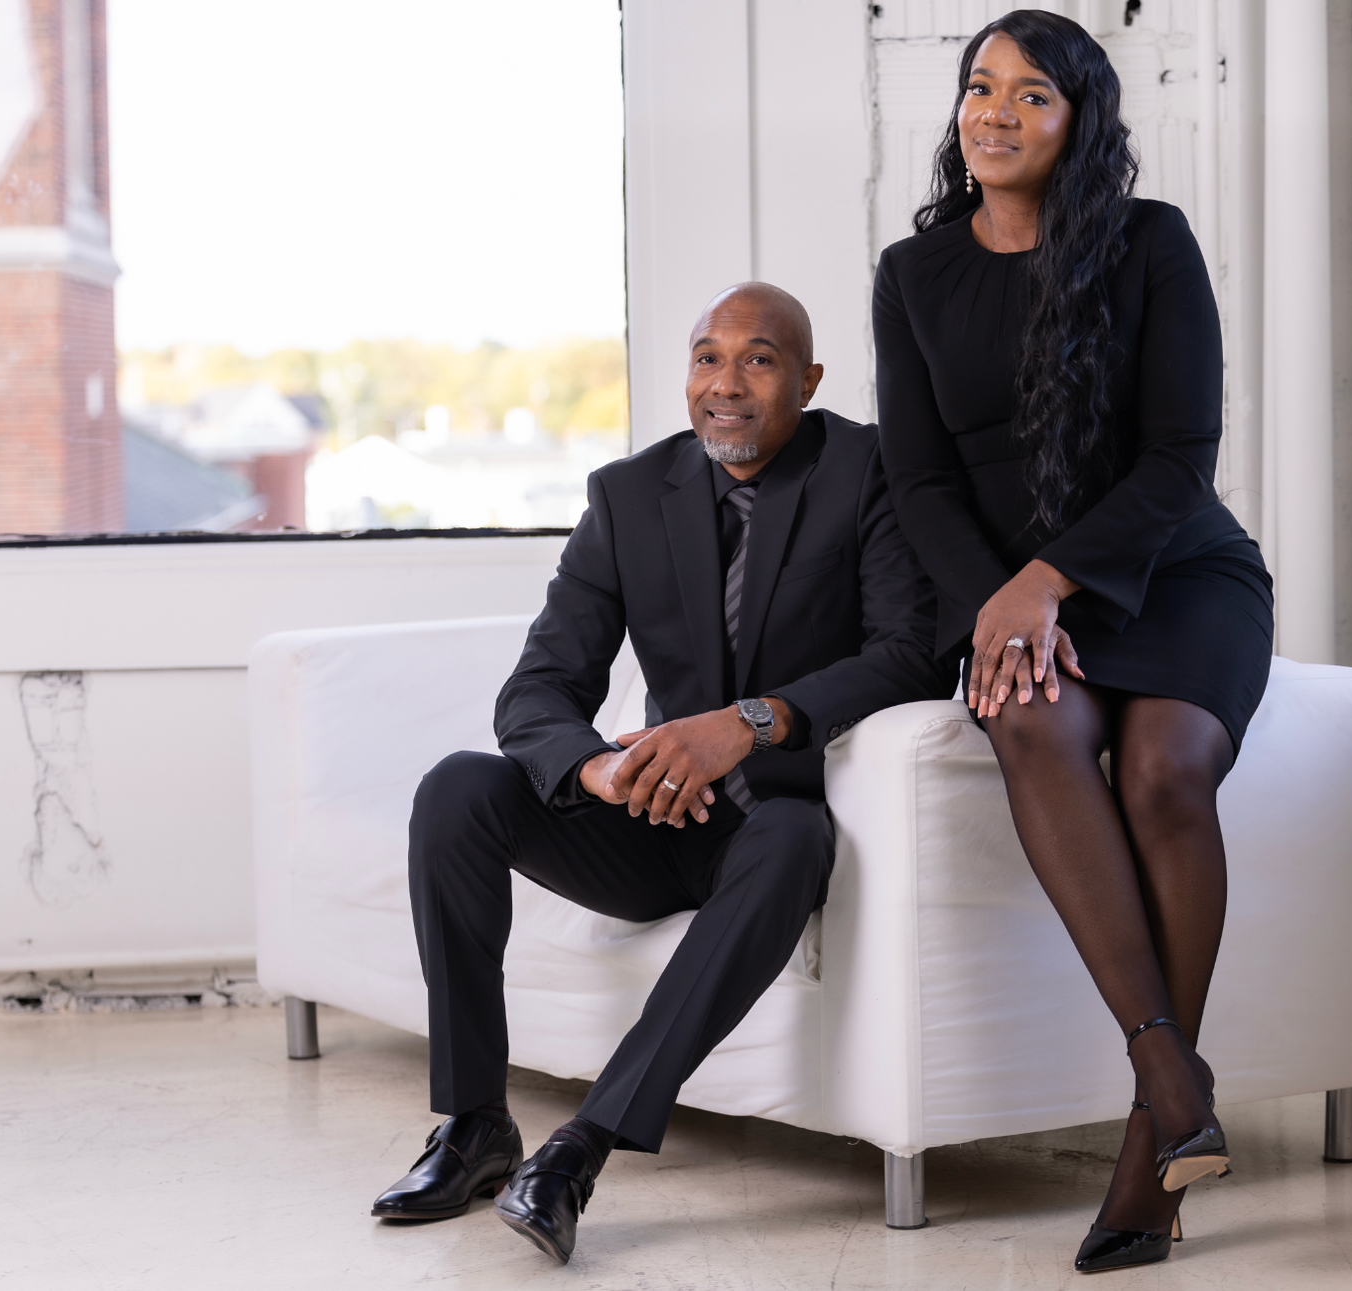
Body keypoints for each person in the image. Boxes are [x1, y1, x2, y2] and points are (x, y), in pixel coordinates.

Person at [371, 282, 953, 1264]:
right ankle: (473, 1126)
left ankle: (580, 1149)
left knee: (791, 836)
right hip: (654, 821)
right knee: (458, 790)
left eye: (758, 359)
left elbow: (912, 654)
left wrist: (752, 722)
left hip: (775, 821)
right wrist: (600, 770)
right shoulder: (628, 496)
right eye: (706, 357)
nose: (725, 384)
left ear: (808, 380)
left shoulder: (868, 473)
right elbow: (538, 688)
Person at [872, 10, 1274, 1275]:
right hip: (1012, 596)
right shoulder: (913, 274)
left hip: (1177, 574)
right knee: (1033, 723)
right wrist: (1000, 601)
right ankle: (1173, 1076)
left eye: (1031, 94)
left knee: (1163, 772)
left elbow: (1181, 455)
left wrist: (1048, 579)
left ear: (1079, 121)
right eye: (978, 87)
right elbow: (920, 481)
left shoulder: (1150, 242)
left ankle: (1149, 1150)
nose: (994, 113)